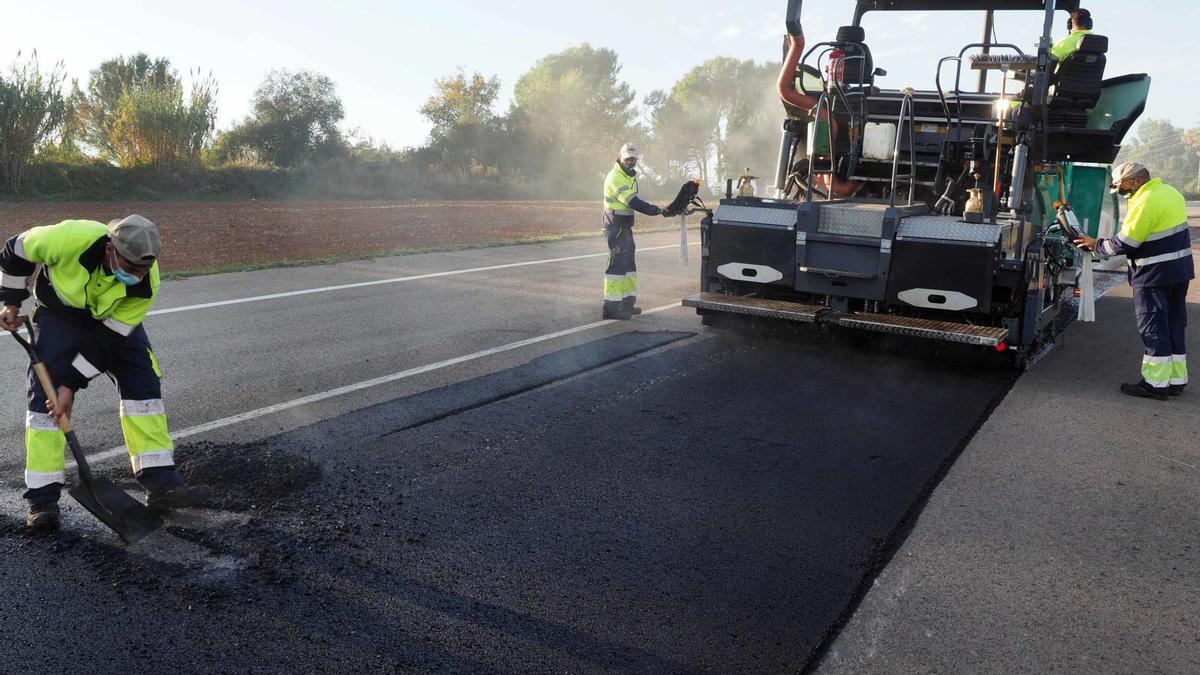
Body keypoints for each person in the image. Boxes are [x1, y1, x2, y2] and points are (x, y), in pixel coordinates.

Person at [0, 215, 209, 530]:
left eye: (142, 269)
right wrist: (11, 303)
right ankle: (42, 501)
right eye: (130, 267)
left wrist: (71, 385)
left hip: (110, 324)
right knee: (45, 398)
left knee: (143, 384)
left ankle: (161, 484)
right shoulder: (71, 238)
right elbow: (14, 250)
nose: (136, 275)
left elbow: (107, 343)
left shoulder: (145, 284)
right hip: (59, 314)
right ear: (110, 249)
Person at [1074, 163, 1193, 400]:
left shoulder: (1146, 200)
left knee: (1153, 328)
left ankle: (1154, 385)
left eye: (1122, 187)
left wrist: (1095, 244)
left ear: (1135, 181)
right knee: (1173, 325)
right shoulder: (1171, 192)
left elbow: (1126, 242)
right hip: (1178, 273)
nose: (1121, 192)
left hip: (1153, 275)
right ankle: (1175, 381)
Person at [602, 143, 665, 320]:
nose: (631, 162)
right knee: (616, 267)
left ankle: (627, 304)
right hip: (616, 228)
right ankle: (611, 308)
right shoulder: (615, 177)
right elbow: (632, 201)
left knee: (629, 266)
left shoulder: (628, 177)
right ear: (620, 158)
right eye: (627, 159)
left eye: (633, 159)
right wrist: (656, 210)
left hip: (625, 227)